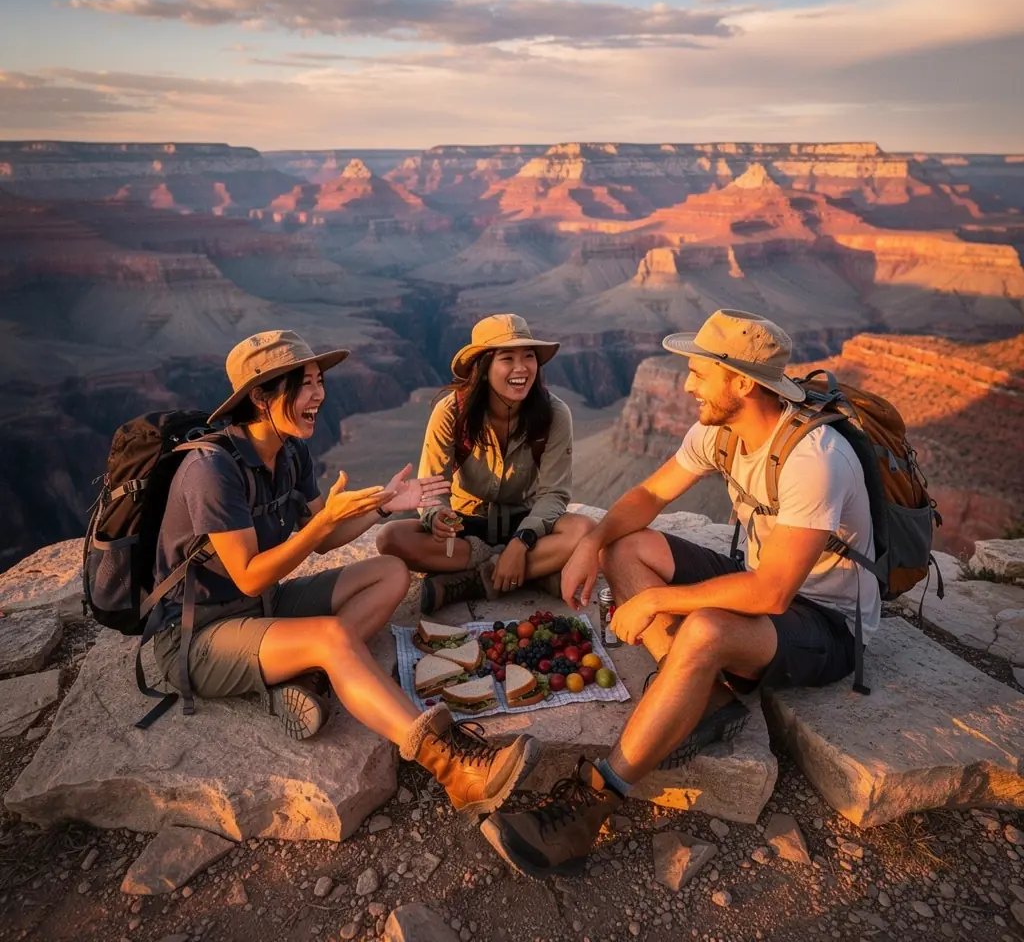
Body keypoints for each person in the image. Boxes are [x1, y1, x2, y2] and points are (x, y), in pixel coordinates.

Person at [480, 310, 879, 877]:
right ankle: (702, 696)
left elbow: (772, 593)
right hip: (759, 584)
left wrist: (655, 601)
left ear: (742, 383)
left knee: (705, 629)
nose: (688, 385)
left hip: (826, 623)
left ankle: (589, 809)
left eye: (699, 373)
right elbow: (648, 496)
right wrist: (592, 542)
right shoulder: (721, 431)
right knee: (627, 548)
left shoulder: (814, 460)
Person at [150, 329, 539, 816]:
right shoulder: (213, 471)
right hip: (197, 637)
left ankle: (311, 674)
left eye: (320, 381)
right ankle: (453, 767)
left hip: (261, 608)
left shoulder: (289, 451)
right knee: (333, 638)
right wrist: (324, 523)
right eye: (305, 384)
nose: (319, 394)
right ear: (261, 397)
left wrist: (384, 506)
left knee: (391, 572)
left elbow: (327, 537)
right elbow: (251, 574)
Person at [376, 314, 594, 614]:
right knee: (390, 538)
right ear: (483, 367)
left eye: (528, 356)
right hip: (466, 527)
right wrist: (437, 516)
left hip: (526, 522)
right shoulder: (451, 412)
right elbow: (432, 487)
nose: (521, 368)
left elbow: (554, 495)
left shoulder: (554, 413)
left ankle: (477, 580)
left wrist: (521, 543)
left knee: (586, 531)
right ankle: (531, 573)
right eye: (507, 358)